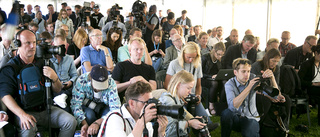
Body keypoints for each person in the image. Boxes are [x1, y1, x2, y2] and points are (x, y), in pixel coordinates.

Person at [0, 29, 77, 137]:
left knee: (70, 121)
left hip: (45, 108)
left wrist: (55, 78)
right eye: (28, 43)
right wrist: (22, 115)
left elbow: (57, 89)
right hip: (23, 111)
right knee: (28, 130)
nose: (32, 46)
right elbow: (5, 96)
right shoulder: (10, 68)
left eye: (34, 42)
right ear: (18, 44)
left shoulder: (44, 62)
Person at [97, 81, 168, 137]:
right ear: (132, 103)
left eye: (151, 101)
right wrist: (142, 122)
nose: (149, 106)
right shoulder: (115, 118)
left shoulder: (146, 122)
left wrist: (160, 133)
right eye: (146, 102)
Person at [159, 70, 217, 136]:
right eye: (188, 88)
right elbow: (169, 131)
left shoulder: (178, 99)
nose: (190, 92)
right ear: (178, 85)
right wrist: (190, 123)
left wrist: (194, 119)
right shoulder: (168, 101)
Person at [71, 65, 121, 136]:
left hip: (104, 105)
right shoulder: (82, 80)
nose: (100, 89)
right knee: (89, 115)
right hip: (87, 104)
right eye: (98, 85)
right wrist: (84, 124)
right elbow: (75, 105)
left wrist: (98, 122)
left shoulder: (111, 83)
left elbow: (115, 109)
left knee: (111, 119)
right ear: (90, 79)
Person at [221, 58, 260, 137]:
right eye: (243, 71)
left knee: (249, 133)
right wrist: (249, 87)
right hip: (236, 118)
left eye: (248, 71)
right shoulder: (229, 84)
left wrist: (272, 78)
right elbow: (233, 106)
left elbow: (273, 95)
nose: (247, 74)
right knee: (226, 113)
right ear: (235, 72)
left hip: (251, 117)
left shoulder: (253, 78)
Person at [112, 37, 156, 102]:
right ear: (130, 51)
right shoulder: (121, 66)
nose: (139, 52)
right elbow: (113, 88)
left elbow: (154, 88)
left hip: (146, 99)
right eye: (136, 49)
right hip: (128, 100)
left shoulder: (149, 68)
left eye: (141, 49)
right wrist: (129, 83)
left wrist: (143, 80)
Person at [50, 35, 78, 113]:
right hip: (54, 88)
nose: (61, 49)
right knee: (67, 109)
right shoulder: (48, 59)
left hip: (68, 86)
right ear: (53, 45)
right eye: (58, 47)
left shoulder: (69, 59)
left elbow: (75, 75)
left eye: (63, 46)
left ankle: (65, 95)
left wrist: (70, 82)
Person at [201, 42, 226, 115]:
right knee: (214, 83)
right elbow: (200, 73)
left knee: (225, 82)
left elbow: (221, 71)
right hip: (204, 79)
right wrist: (210, 76)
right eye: (218, 54)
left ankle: (220, 104)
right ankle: (211, 105)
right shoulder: (205, 57)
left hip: (215, 78)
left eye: (221, 54)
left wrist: (219, 76)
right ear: (214, 51)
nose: (220, 56)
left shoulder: (220, 60)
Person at [298, 45, 320, 125]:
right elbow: (300, 80)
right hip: (309, 88)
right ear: (316, 53)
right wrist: (313, 83)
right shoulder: (307, 64)